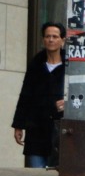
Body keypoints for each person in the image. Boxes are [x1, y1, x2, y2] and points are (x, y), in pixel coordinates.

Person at [10, 22, 66, 168]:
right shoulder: (36, 64)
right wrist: (18, 125)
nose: (51, 40)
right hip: (36, 128)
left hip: (61, 130)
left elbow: (80, 94)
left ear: (63, 40)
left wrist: (68, 103)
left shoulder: (70, 66)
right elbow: (25, 96)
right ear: (43, 40)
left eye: (55, 36)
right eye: (48, 36)